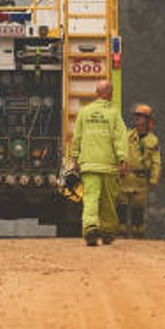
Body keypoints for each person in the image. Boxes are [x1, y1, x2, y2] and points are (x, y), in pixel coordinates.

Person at [71, 80, 128, 246]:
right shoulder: (114, 114)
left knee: (90, 198)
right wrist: (123, 159)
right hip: (108, 165)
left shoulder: (84, 112)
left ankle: (90, 228)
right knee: (108, 200)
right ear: (110, 94)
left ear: (96, 93)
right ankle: (108, 231)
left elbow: (77, 137)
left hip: (88, 164)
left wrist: (75, 158)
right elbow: (119, 138)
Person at [118, 103, 162, 238]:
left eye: (140, 116)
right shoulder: (126, 136)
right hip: (125, 178)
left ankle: (139, 235)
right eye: (136, 116)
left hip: (140, 180)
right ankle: (121, 233)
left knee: (138, 210)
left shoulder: (153, 140)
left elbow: (156, 161)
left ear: (148, 120)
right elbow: (119, 153)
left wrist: (154, 178)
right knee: (121, 208)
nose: (137, 119)